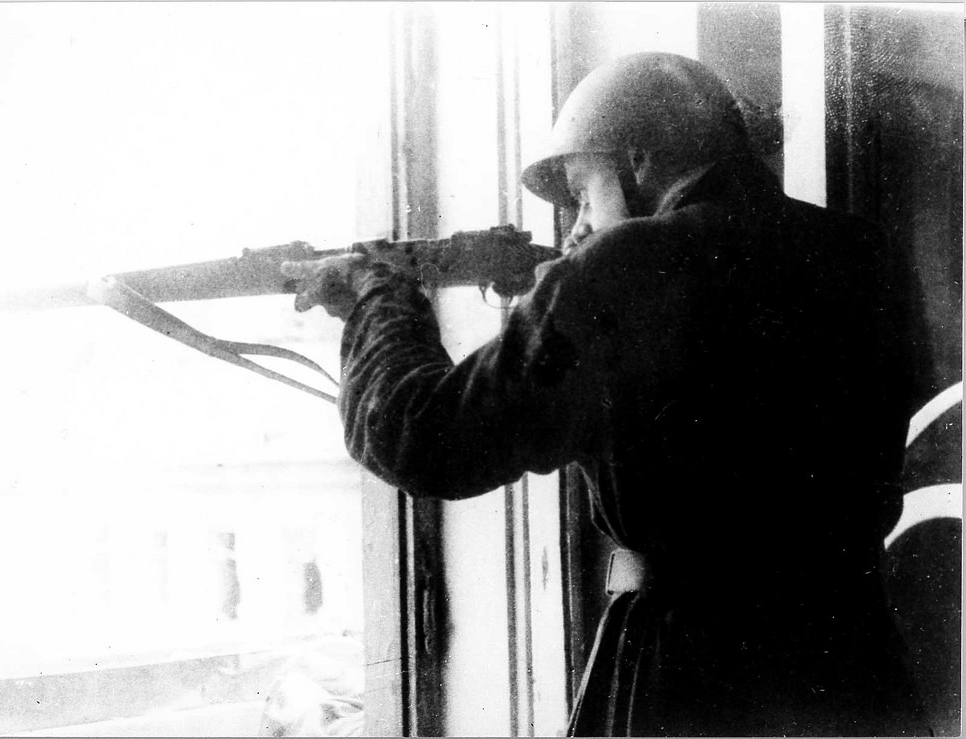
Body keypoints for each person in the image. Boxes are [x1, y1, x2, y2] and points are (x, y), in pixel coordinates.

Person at [287, 53, 929, 736]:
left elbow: (422, 436)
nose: (576, 230)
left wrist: (377, 295)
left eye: (583, 193)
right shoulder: (862, 250)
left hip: (693, 677)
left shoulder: (624, 269)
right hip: (856, 659)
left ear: (639, 159)